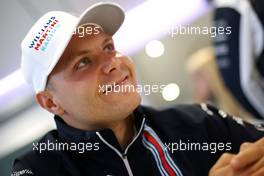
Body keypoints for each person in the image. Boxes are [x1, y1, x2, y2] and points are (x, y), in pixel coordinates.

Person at [12, 2, 264, 176]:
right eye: (83, 62)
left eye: (108, 47)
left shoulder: (197, 122)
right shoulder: (38, 168)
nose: (112, 63)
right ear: (50, 102)